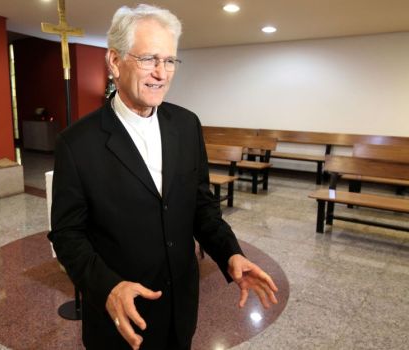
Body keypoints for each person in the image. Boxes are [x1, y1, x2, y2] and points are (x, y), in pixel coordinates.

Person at [48, 4, 278, 350]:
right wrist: (108, 287)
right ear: (114, 62)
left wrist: (230, 253)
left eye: (169, 61)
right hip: (121, 317)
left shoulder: (186, 125)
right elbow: (67, 235)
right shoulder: (78, 143)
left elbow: (202, 207)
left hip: (181, 307)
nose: (161, 72)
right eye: (148, 59)